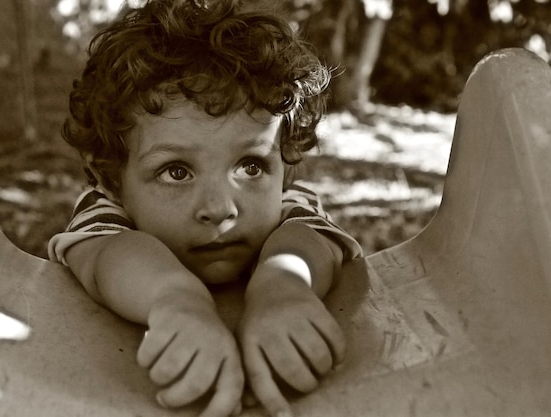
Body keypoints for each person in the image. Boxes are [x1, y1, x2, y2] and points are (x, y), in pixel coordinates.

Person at [48, 1, 362, 416]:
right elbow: (108, 254)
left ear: (284, 164)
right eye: (176, 172)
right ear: (112, 180)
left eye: (251, 166)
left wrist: (282, 287)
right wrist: (175, 297)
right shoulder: (108, 206)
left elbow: (310, 238)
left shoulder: (285, 199)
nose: (220, 208)